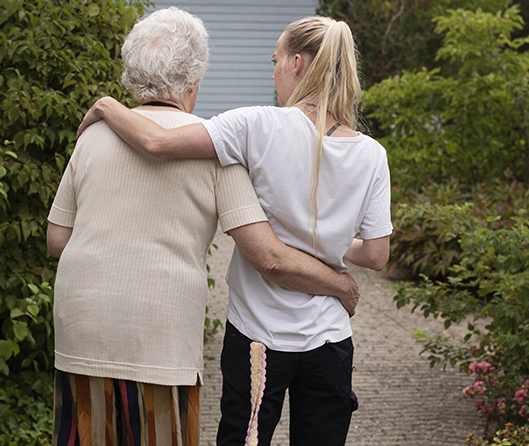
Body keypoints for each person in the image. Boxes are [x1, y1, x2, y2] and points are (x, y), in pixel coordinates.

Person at [46, 9, 361, 446]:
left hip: (80, 326)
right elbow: (267, 254)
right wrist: (341, 286)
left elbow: (57, 240)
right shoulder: (214, 147)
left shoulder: (94, 134)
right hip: (160, 336)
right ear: (193, 82)